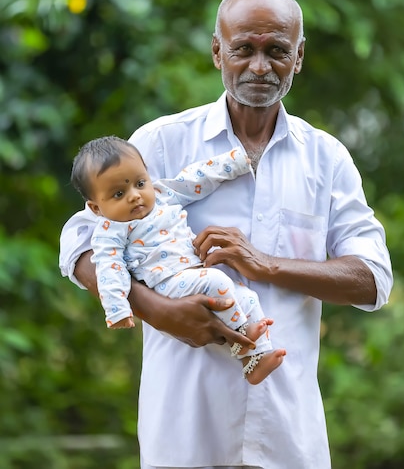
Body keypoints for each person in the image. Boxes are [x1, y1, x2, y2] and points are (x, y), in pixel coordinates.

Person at [60, 0, 393, 469]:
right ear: (218, 51)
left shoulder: (326, 158)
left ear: (298, 58)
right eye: (244, 49)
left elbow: (373, 279)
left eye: (277, 51)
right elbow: (81, 245)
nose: (260, 66)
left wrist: (266, 265)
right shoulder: (160, 144)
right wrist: (156, 309)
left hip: (287, 432)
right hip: (184, 426)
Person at [70, 135, 286, 383]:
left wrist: (233, 162)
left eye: (140, 183)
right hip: (167, 283)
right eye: (119, 193)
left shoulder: (162, 196)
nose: (134, 196)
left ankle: (256, 357)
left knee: (248, 296)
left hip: (193, 272)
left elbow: (195, 178)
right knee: (217, 281)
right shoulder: (111, 232)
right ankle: (243, 338)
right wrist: (117, 309)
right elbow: (109, 269)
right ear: (96, 208)